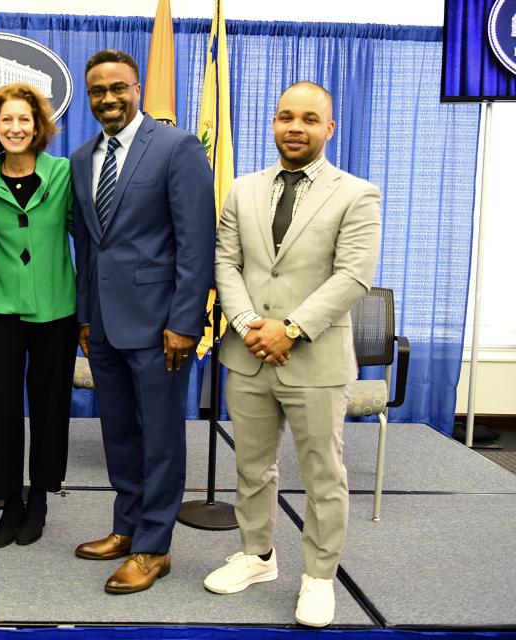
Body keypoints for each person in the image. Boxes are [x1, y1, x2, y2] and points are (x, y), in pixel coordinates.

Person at [204, 82, 381, 627]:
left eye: (309, 119)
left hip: (315, 360)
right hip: (249, 352)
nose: (295, 127)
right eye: (285, 117)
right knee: (252, 468)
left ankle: (318, 577)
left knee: (323, 473)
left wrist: (293, 329)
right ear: (273, 124)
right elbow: (226, 262)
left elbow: (353, 276)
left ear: (330, 128)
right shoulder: (243, 189)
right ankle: (258, 557)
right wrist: (249, 324)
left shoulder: (357, 193)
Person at [70, 50, 216, 594]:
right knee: (119, 435)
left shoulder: (177, 148)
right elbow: (87, 246)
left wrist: (185, 323)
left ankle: (155, 547)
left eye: (118, 88)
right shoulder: (84, 156)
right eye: (97, 91)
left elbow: (196, 243)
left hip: (161, 328)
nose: (107, 98)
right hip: (104, 326)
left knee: (160, 439)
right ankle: (126, 527)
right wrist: (86, 318)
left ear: (137, 89)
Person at [0, 83, 77, 548]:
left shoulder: (64, 174)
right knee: (3, 407)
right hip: (3, 311)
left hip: (56, 310)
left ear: (38, 127)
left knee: (50, 405)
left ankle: (40, 497)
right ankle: (9, 500)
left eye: (24, 119)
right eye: (6, 120)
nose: (15, 128)